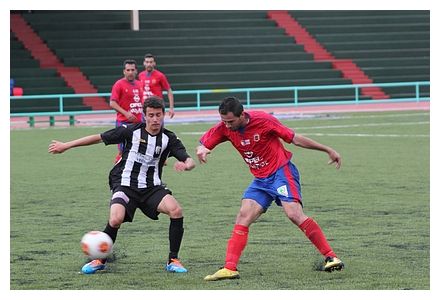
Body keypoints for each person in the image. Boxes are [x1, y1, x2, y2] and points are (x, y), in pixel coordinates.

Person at [196, 96, 344, 281]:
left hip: (281, 172)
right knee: (243, 215)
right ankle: (230, 268)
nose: (226, 126)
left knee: (294, 214)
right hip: (260, 180)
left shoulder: (264, 121)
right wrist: (202, 148)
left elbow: (295, 139)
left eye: (230, 121)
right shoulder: (225, 127)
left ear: (242, 115)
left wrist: (327, 149)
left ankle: (331, 257)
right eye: (223, 121)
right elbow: (205, 142)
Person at [49, 97, 195, 275]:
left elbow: (188, 159)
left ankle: (173, 260)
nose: (155, 119)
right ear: (145, 116)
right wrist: (66, 145)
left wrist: (187, 165)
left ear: (163, 115)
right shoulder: (130, 131)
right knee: (115, 219)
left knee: (176, 210)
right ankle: (100, 260)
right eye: (151, 115)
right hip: (125, 184)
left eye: (158, 115)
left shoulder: (168, 138)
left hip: (152, 188)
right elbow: (99, 138)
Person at [109, 59, 144, 163]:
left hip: (138, 123)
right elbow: (112, 103)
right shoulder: (119, 84)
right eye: (128, 70)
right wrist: (125, 113)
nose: (130, 72)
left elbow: (141, 102)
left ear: (136, 71)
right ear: (124, 71)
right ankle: (118, 172)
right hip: (124, 122)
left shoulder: (139, 84)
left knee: (139, 150)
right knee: (123, 151)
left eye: (132, 70)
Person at [138, 53, 175, 119]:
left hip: (157, 107)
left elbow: (169, 90)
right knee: (144, 128)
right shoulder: (140, 75)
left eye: (151, 62)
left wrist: (171, 108)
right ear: (144, 63)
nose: (149, 64)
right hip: (145, 108)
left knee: (158, 128)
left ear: (154, 63)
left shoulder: (160, 76)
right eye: (147, 62)